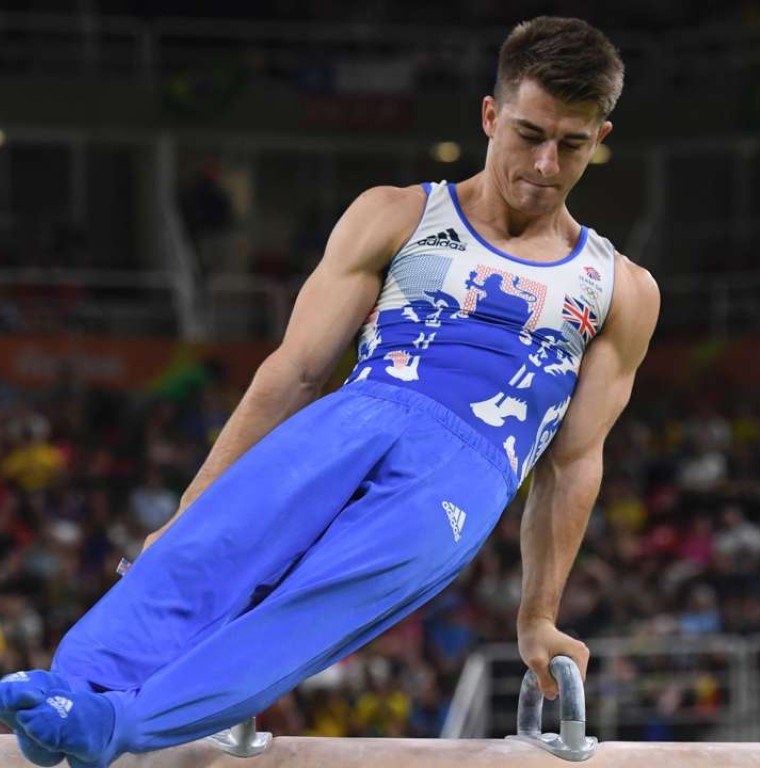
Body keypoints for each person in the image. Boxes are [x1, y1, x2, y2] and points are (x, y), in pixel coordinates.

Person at [0, 16, 659, 768]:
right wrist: (190, 513)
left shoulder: (621, 289)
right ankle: (71, 689)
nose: (545, 165)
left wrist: (538, 616)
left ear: (600, 137)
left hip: (469, 468)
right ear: (489, 114)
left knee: (310, 607)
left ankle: (117, 727)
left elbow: (572, 465)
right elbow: (294, 372)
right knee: (207, 550)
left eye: (572, 145)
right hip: (361, 410)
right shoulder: (399, 214)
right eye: (529, 133)